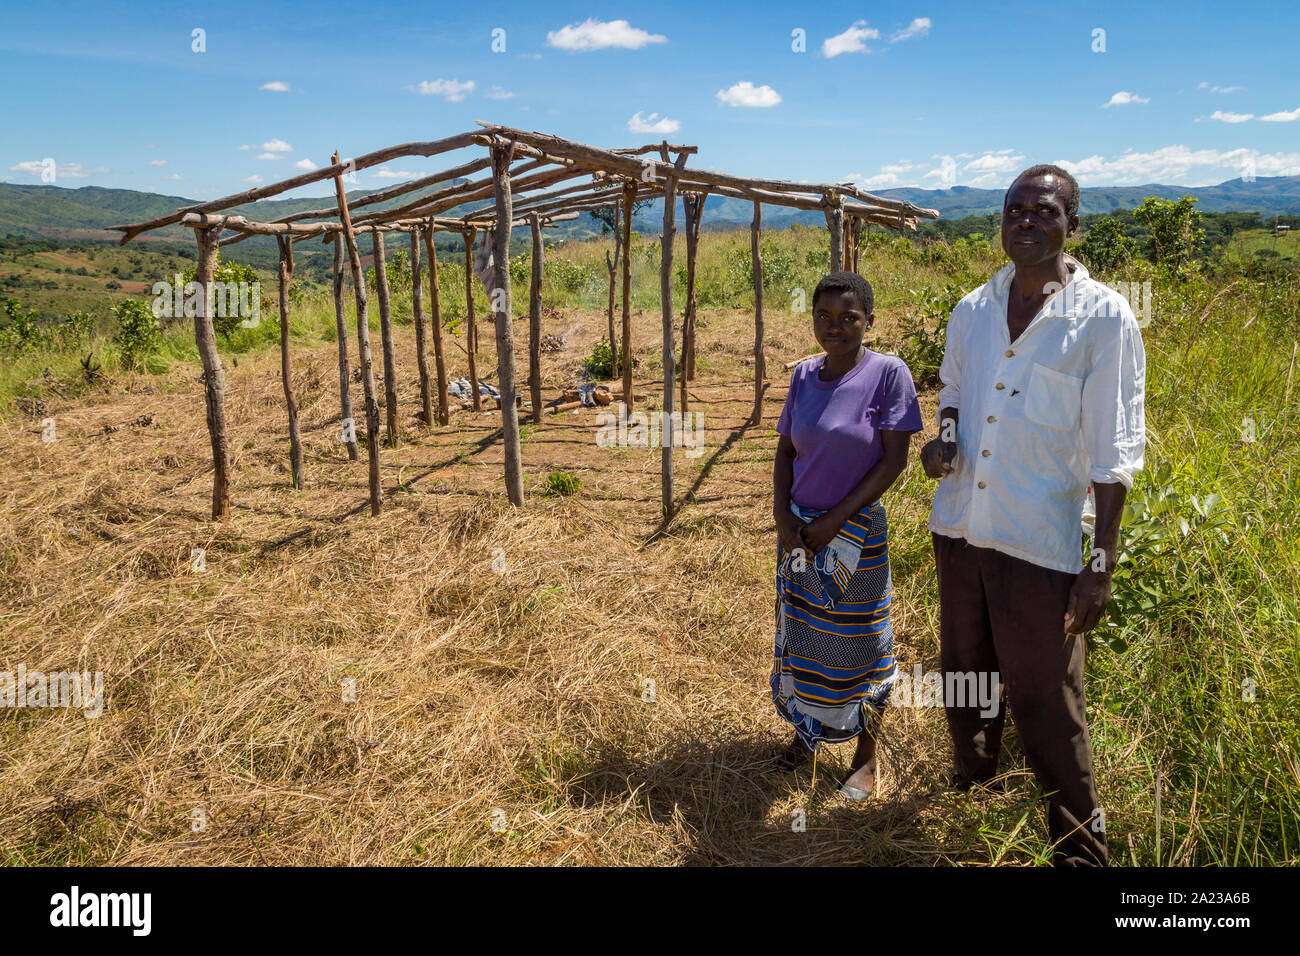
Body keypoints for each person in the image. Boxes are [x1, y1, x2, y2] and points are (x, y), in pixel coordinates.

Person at [920, 164, 1146, 866]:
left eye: (1043, 210)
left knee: (1047, 700)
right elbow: (954, 386)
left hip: (1040, 544)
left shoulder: (1102, 317)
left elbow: (1114, 451)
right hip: (961, 527)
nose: (1026, 220)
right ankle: (974, 773)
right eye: (1015, 208)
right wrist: (946, 434)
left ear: (1071, 225)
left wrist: (1098, 566)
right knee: (964, 667)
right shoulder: (972, 309)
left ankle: (1081, 851)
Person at [771, 270, 923, 800]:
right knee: (803, 638)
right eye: (824, 317)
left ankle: (866, 755)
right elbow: (787, 450)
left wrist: (833, 520)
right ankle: (805, 738)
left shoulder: (889, 374)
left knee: (862, 643)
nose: (834, 327)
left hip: (852, 532)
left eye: (848, 318)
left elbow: (893, 461)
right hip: (798, 532)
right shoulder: (804, 376)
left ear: (868, 322)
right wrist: (783, 518)